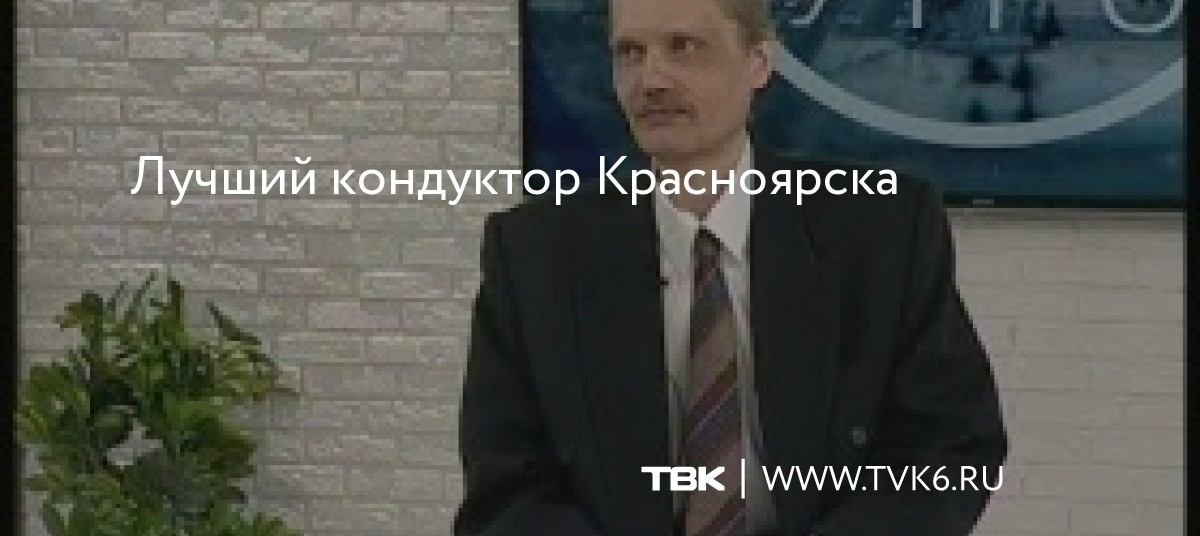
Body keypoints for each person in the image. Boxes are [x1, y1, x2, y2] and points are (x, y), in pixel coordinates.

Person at [453, 0, 1008, 534]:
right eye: (630, 53)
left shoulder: (883, 232)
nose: (651, 80)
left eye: (683, 47)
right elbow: (507, 489)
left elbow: (948, 452)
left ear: (758, 63)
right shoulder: (534, 256)